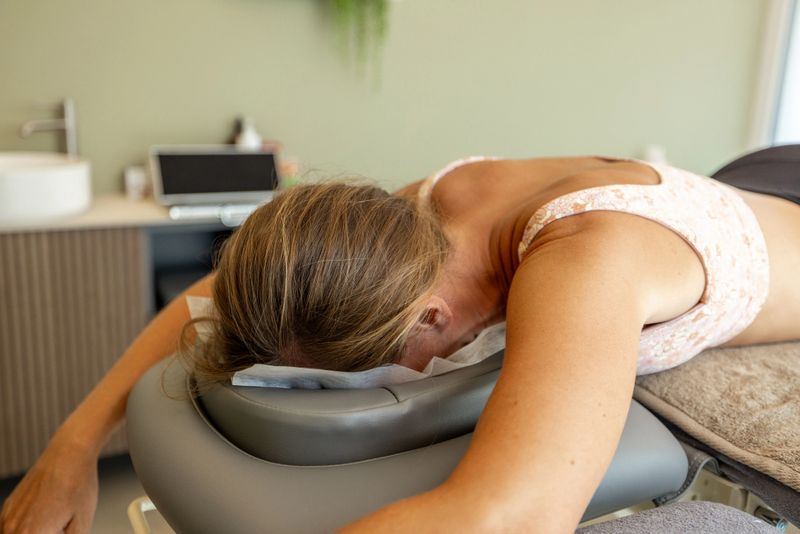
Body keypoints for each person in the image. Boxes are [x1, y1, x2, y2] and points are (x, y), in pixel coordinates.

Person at [2, 155, 799, 533]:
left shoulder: (584, 265)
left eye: (374, 363)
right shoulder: (423, 208)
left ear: (429, 324)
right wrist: (67, 449)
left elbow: (508, 515)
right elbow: (205, 297)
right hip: (739, 188)